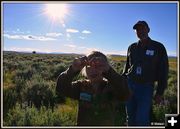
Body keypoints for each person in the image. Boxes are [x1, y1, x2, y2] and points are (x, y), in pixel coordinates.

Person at [56, 51, 131, 126]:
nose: (93, 70)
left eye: (99, 66)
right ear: (84, 69)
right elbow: (61, 88)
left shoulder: (111, 87)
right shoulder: (81, 86)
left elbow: (125, 94)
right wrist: (72, 69)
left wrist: (110, 72)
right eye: (89, 66)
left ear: (106, 68)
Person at [122, 20, 169, 126]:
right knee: (130, 117)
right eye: (137, 29)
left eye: (142, 28)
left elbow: (164, 70)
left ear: (148, 29)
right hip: (130, 86)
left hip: (146, 87)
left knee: (142, 119)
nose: (140, 31)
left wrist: (160, 92)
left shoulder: (158, 47)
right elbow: (127, 67)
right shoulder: (132, 47)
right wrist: (122, 84)